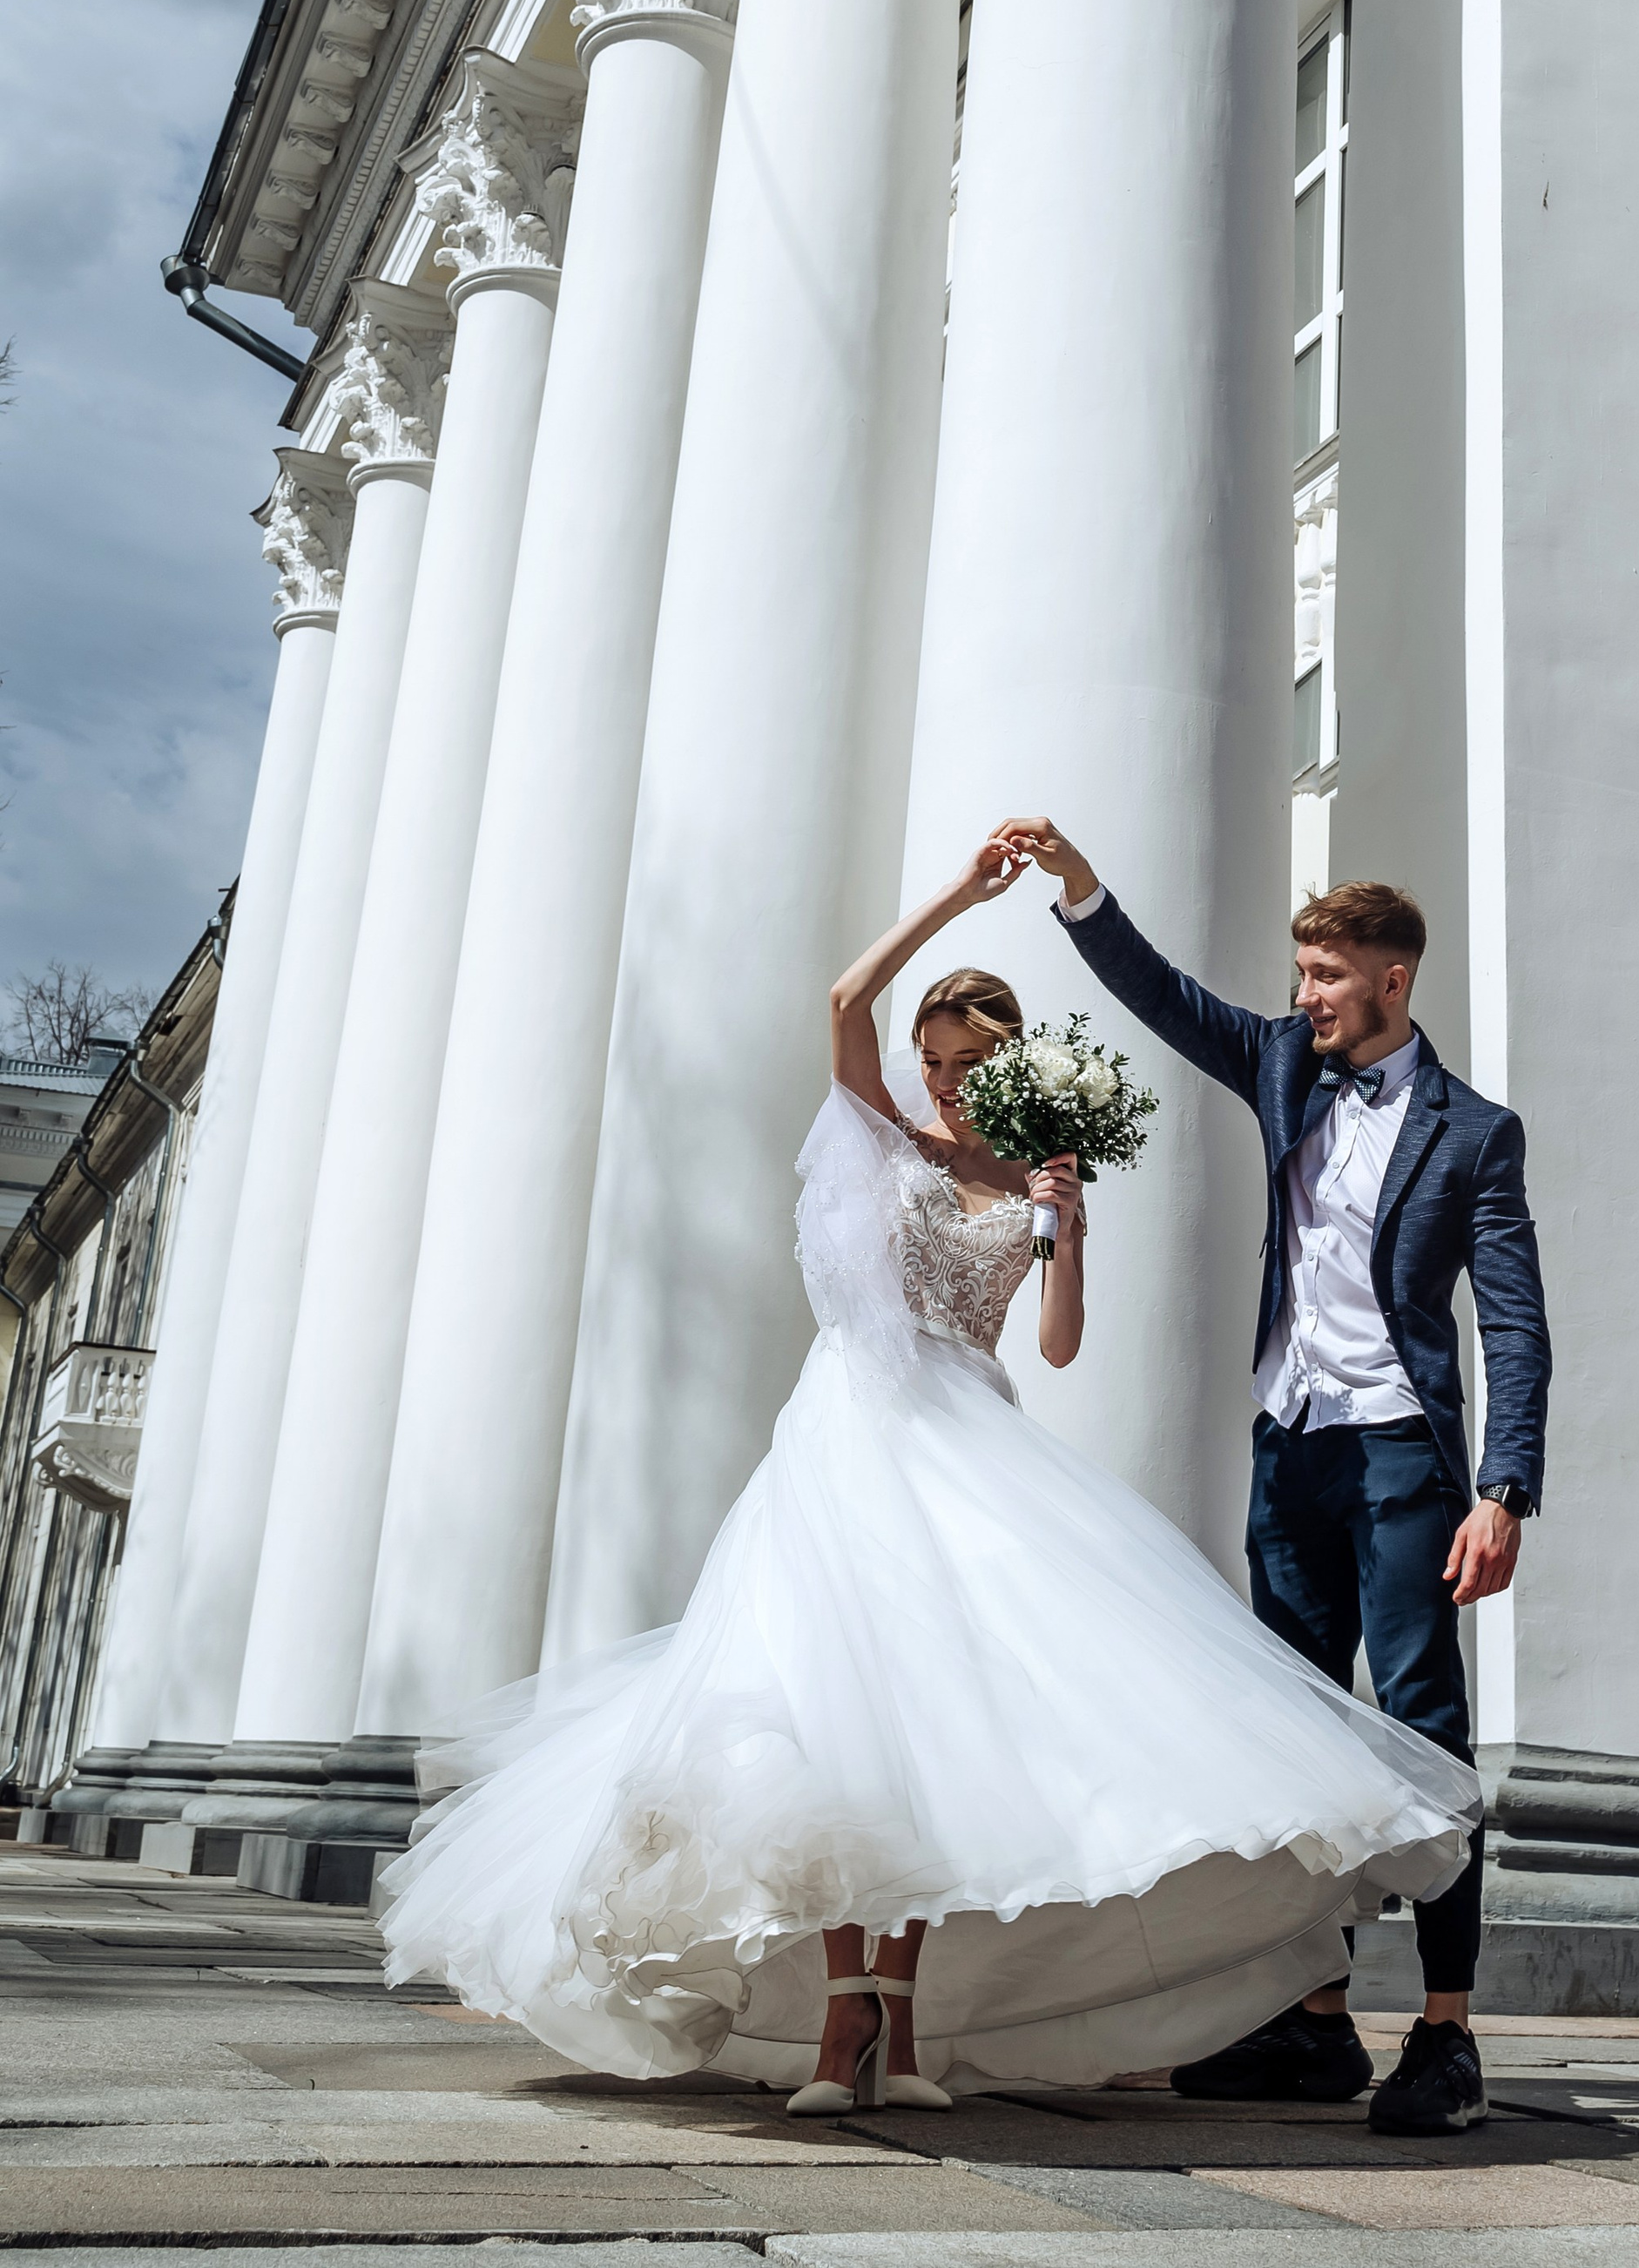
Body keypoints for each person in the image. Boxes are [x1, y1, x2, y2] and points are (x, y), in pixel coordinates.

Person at [376, 835, 1479, 2109]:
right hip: (854, 1430)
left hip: (972, 1427)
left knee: (950, 1728)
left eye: (975, 1066)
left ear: (1013, 1074)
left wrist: (1065, 1229)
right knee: (840, 1709)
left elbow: (1057, 1343)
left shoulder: (1034, 1177)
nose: (950, 1084)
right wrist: (965, 898)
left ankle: (897, 2039)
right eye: (938, 1062)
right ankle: (848, 2026)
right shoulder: (886, 1139)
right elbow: (846, 1006)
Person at [994, 818, 1551, 2139]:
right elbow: (1164, 997)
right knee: (1291, 1731)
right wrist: (1079, 891)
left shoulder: (1476, 1135)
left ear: (1392, 980)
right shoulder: (1285, 1067)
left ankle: (1447, 2031)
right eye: (1300, 975)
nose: (1302, 997)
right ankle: (1310, 2022)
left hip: (1404, 1457)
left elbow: (1514, 1321)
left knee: (1421, 1729)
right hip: (1289, 1449)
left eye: (1325, 977)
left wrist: (1504, 1489)